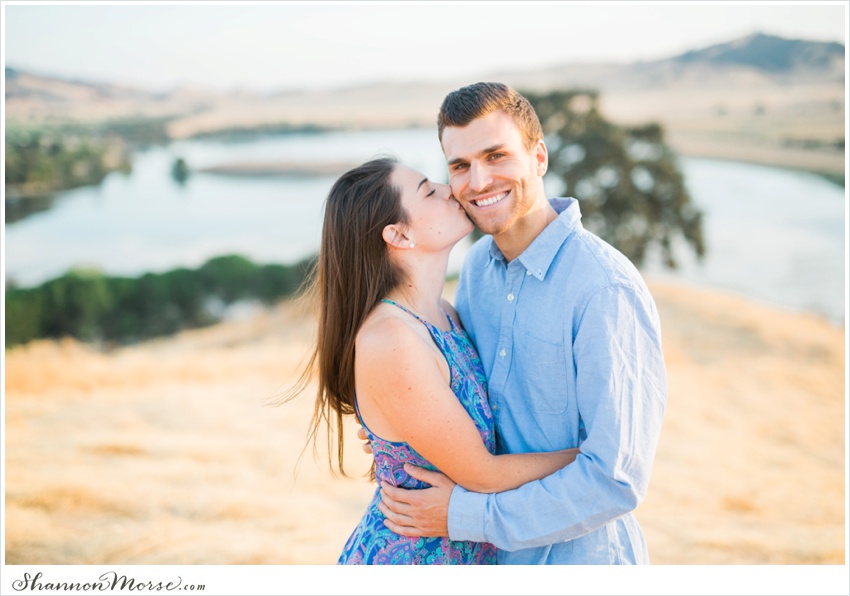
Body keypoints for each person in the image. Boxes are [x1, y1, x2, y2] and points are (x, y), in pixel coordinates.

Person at [374, 82, 668, 564]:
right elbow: (460, 390)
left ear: (539, 157)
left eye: (496, 156)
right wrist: (396, 423)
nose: (479, 181)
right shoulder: (477, 271)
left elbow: (615, 480)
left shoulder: (604, 289)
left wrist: (464, 516)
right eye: (460, 165)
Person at [288, 156, 580, 565]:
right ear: (400, 235)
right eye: (429, 190)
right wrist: (591, 458)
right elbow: (483, 473)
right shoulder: (392, 339)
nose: (450, 189)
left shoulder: (443, 312)